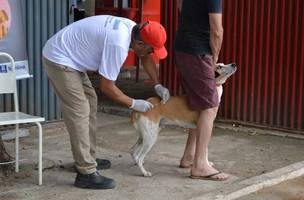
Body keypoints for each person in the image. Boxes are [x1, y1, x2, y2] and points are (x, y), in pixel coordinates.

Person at [42, 15, 170, 189]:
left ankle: (88, 158)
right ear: (139, 44)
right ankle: (85, 172)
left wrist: (157, 84)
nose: (151, 54)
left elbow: (145, 57)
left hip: (72, 57)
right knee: (80, 111)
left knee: (90, 102)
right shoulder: (117, 44)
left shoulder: (134, 30)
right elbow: (107, 87)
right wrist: (133, 103)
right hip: (60, 58)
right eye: (151, 50)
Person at [174, 0, 229, 181]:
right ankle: (200, 165)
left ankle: (190, 156)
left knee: (198, 104)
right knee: (210, 106)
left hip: (183, 46)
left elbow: (180, 5)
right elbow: (217, 31)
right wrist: (214, 58)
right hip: (198, 50)